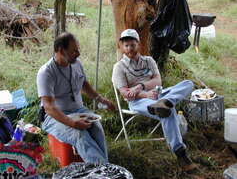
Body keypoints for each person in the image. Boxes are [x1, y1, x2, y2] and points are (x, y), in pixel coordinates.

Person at [112, 29, 197, 172]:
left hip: (160, 94)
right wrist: (145, 95)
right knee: (167, 112)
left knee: (188, 83)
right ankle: (180, 153)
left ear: (138, 44)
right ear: (121, 46)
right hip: (139, 101)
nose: (129, 48)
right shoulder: (119, 67)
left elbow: (158, 80)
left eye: (132, 45)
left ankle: (166, 101)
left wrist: (140, 86)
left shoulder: (148, 61)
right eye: (126, 45)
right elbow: (125, 94)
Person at [37, 32, 115, 164]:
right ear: (61, 51)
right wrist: (72, 123)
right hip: (54, 116)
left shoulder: (76, 64)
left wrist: (102, 100)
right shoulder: (46, 72)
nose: (78, 54)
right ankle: (104, 171)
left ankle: (104, 167)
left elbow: (83, 84)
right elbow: (49, 107)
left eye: (78, 49)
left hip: (79, 110)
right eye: (74, 51)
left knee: (96, 127)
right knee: (79, 134)